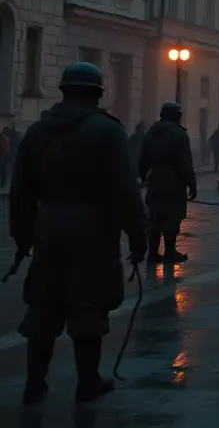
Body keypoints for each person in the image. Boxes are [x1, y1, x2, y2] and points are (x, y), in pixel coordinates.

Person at [8, 62, 146, 405]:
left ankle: (34, 383)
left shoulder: (37, 132)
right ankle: (87, 382)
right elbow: (124, 190)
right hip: (94, 229)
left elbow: (21, 192)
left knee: (43, 304)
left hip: (49, 226)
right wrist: (138, 234)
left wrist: (24, 236)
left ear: (65, 91)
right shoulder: (108, 131)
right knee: (89, 303)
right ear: (97, 94)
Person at [138, 102, 197, 265]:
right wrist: (192, 184)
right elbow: (185, 162)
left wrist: (143, 176)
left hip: (155, 180)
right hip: (174, 182)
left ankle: (153, 252)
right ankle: (170, 251)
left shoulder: (151, 133)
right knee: (172, 218)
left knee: (155, 217)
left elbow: (143, 159)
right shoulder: (179, 135)